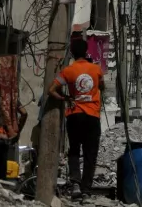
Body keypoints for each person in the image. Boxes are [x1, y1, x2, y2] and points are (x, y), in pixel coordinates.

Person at [48, 39, 105, 194]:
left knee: (74, 150)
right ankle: (86, 190)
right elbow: (102, 86)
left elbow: (52, 90)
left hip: (74, 115)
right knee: (90, 154)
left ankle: (75, 184)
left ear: (72, 52)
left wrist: (65, 98)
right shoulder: (96, 69)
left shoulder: (68, 71)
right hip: (92, 116)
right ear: (86, 51)